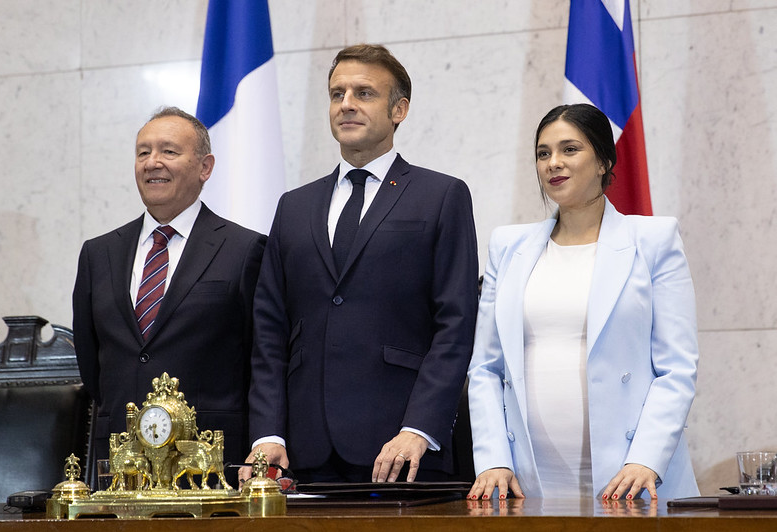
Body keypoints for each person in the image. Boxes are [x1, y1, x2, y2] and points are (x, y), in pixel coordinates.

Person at [244, 44, 479, 484]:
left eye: (364, 93)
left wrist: (420, 428)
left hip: (402, 451)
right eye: (337, 94)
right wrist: (267, 434)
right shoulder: (293, 206)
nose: (347, 104)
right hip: (303, 453)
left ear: (399, 110)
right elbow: (269, 331)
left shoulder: (441, 196)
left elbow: (456, 323)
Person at [467, 103, 699, 501]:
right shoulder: (507, 246)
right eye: (543, 153)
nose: (553, 163)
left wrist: (645, 458)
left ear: (604, 161)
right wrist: (493, 459)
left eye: (570, 149)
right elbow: (486, 367)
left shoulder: (654, 241)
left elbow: (677, 368)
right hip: (524, 480)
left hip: (631, 476)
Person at [73, 107, 266, 474]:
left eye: (169, 152)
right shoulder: (98, 254)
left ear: (205, 167)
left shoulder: (246, 250)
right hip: (121, 465)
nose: (152, 162)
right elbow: (91, 361)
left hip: (209, 465)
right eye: (143, 152)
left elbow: (263, 361)